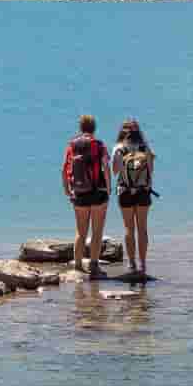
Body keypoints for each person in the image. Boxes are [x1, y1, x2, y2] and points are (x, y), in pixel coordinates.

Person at [62, 114, 110, 276]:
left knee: (80, 231)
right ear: (94, 128)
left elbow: (64, 169)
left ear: (81, 128)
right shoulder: (99, 145)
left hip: (79, 193)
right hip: (98, 192)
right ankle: (94, 265)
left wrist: (67, 190)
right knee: (97, 231)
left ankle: (77, 265)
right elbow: (106, 167)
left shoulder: (72, 146)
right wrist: (109, 188)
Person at [112, 118, 155, 281]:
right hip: (143, 192)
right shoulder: (146, 148)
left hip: (125, 191)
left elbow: (115, 171)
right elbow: (151, 171)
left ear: (123, 132)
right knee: (142, 228)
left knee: (129, 229)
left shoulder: (118, 148)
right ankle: (143, 263)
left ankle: (131, 263)